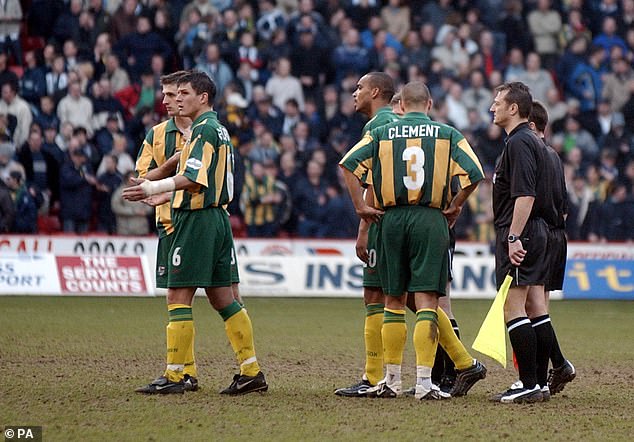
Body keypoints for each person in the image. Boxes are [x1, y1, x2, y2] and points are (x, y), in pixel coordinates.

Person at [339, 81, 486, 400]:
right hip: (430, 218)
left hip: (390, 218)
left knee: (392, 300)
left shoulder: (380, 133)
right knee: (426, 303)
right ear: (430, 104)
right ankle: (424, 383)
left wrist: (361, 209)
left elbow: (348, 165)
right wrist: (457, 204)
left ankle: (389, 380)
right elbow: (475, 173)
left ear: (400, 104)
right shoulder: (448, 134)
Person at [123, 71, 267, 395]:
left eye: (184, 93)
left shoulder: (202, 129)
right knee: (223, 298)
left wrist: (152, 185)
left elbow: (192, 176)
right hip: (217, 218)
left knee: (177, 296)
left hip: (197, 220)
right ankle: (251, 370)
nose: (177, 99)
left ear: (203, 98)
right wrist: (166, 194)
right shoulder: (219, 129)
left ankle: (176, 374)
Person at [334, 72, 402, 397]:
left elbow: (358, 172)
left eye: (359, 87)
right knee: (418, 298)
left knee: (376, 297)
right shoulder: (404, 123)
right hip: (415, 218)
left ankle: (375, 377)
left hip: (384, 220)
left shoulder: (376, 126)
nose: (354, 93)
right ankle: (462, 363)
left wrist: (362, 220)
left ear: (375, 92)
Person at [489, 82, 552, 404]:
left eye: (497, 102)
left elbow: (525, 194)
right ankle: (537, 382)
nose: (492, 107)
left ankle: (529, 383)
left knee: (513, 308)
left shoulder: (520, 142)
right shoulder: (528, 141)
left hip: (520, 233)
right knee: (528, 307)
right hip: (530, 231)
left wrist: (513, 236)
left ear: (514, 108)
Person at [526, 101, 576, 396]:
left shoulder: (533, 154)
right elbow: (565, 207)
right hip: (557, 234)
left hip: (539, 233)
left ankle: (556, 366)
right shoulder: (555, 156)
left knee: (531, 307)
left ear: (531, 125)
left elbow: (529, 198)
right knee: (541, 308)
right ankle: (542, 380)